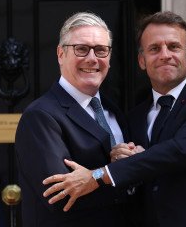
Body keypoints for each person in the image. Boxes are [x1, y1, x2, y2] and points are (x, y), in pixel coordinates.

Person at [42, 11, 186, 227]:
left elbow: (179, 150)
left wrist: (100, 174)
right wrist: (120, 157)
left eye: (173, 47)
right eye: (154, 49)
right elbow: (139, 176)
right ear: (142, 61)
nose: (164, 55)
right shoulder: (132, 117)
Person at [14, 12, 135, 227]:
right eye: (81, 49)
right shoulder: (40, 116)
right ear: (61, 54)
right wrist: (116, 170)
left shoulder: (113, 110)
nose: (92, 58)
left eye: (100, 50)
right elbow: (59, 197)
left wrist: (135, 161)